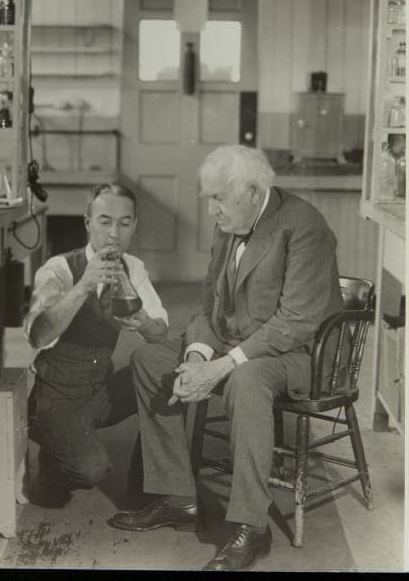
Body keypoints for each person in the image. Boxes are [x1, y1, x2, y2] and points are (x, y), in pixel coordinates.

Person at [108, 146, 344, 571]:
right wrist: (198, 353)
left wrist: (221, 365)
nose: (211, 210)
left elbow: (295, 321)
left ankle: (252, 527)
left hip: (296, 354)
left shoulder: (305, 226)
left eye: (218, 198)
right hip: (240, 347)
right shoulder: (228, 225)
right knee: (149, 359)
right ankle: (176, 496)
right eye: (209, 199)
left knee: (246, 380)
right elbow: (209, 306)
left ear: (253, 191)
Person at [25, 182, 169, 507]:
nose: (114, 234)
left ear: (134, 225)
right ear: (88, 222)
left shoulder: (133, 268)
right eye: (105, 221)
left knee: (167, 376)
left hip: (100, 394)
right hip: (56, 400)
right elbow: (38, 334)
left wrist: (144, 323)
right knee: (90, 470)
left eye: (125, 223)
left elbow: (161, 330)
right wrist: (82, 287)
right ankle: (53, 462)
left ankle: (146, 485)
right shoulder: (59, 269)